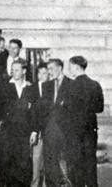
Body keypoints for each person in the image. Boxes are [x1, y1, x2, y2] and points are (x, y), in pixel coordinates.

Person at [31, 59, 73, 187]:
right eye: (48, 69)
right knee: (49, 163)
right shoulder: (46, 86)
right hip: (48, 130)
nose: (49, 72)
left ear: (60, 68)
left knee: (65, 162)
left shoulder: (71, 84)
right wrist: (35, 129)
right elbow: (40, 110)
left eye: (52, 69)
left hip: (65, 130)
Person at [65, 56, 104, 187]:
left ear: (76, 67)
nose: (69, 70)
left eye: (70, 67)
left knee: (76, 164)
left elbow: (66, 109)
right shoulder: (95, 84)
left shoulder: (70, 86)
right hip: (90, 129)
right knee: (90, 162)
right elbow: (100, 108)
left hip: (74, 129)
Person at [0, 60, 36, 186]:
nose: (13, 72)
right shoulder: (5, 87)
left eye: (17, 69)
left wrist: (34, 131)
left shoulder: (30, 88)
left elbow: (34, 112)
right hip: (8, 131)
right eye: (12, 70)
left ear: (24, 71)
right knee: (6, 161)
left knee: (23, 163)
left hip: (24, 132)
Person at [31, 62, 49, 187]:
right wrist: (34, 130)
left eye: (45, 73)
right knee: (36, 160)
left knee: (48, 160)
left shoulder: (52, 88)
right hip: (36, 129)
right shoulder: (32, 88)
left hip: (49, 130)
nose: (42, 76)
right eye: (40, 73)